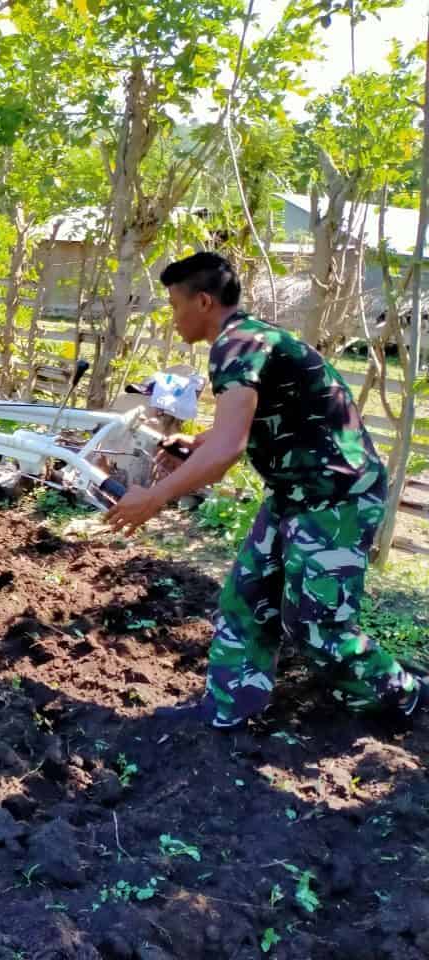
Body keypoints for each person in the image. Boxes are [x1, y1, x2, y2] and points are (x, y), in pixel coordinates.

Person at [105, 251, 424, 729]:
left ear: (205, 302)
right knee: (246, 599)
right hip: (294, 495)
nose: (173, 319)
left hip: (338, 498)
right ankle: (231, 709)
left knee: (318, 629)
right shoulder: (250, 338)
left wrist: (153, 496)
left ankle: (404, 696)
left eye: (175, 305)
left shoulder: (235, 346)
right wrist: (197, 442)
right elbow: (243, 423)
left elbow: (230, 450)